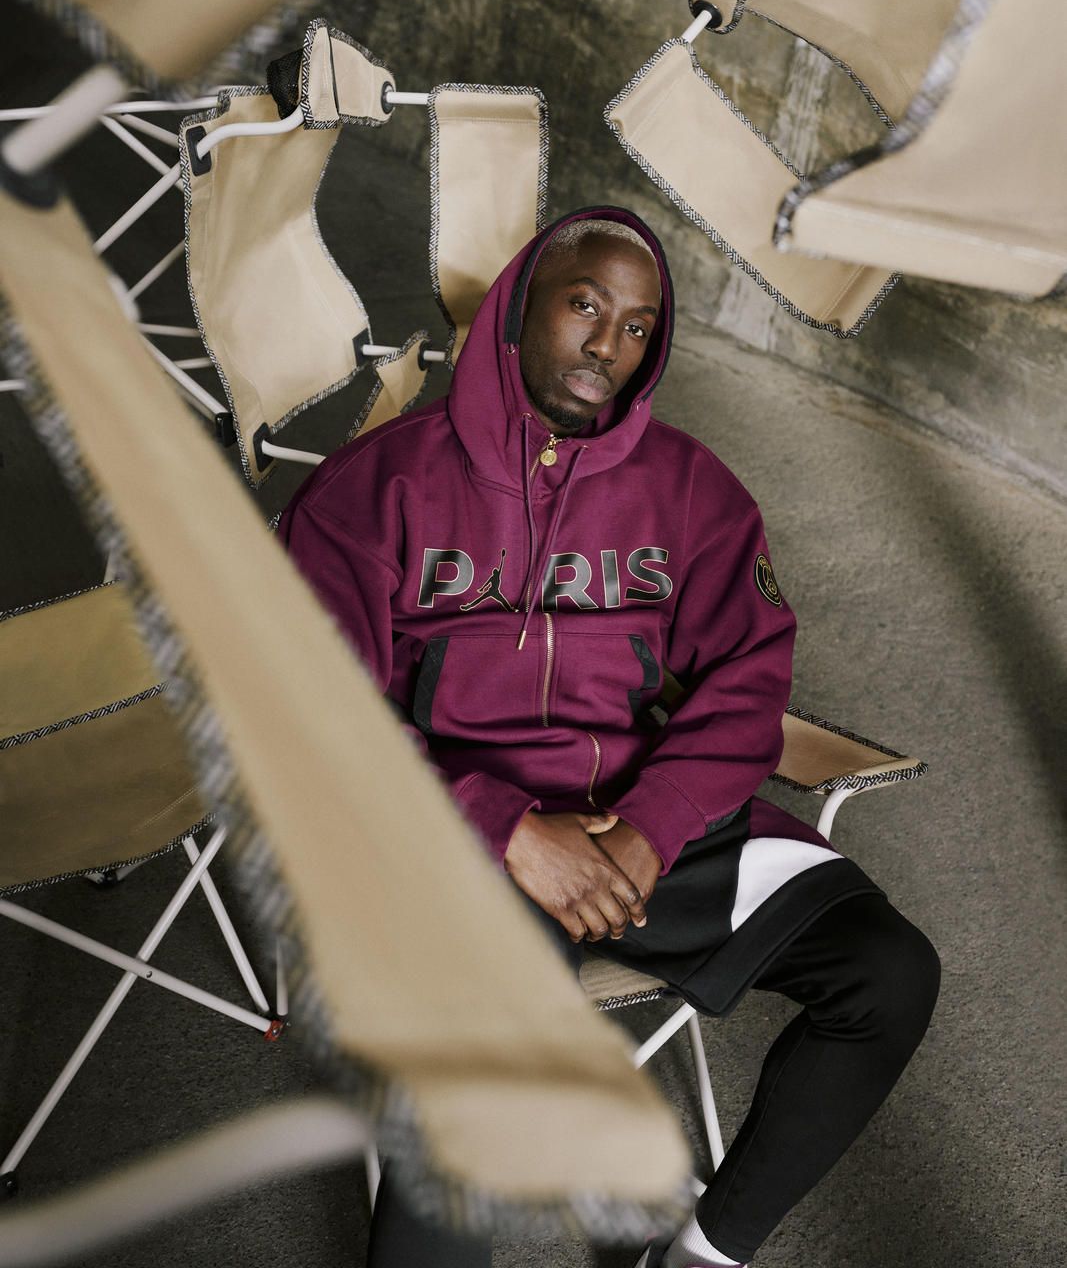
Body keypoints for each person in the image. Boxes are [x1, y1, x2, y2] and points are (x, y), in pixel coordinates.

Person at [279, 206, 940, 1268]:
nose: (606, 346)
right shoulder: (373, 489)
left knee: (888, 972)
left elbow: (747, 680)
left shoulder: (691, 490)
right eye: (583, 305)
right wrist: (505, 828)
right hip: (459, 836)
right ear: (518, 307)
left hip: (642, 827)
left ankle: (699, 1253)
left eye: (636, 327)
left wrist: (649, 829)